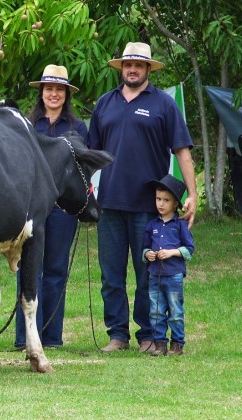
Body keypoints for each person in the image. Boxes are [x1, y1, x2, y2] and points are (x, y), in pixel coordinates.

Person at [85, 42, 198, 353]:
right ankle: (117, 335)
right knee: (111, 276)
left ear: (149, 69)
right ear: (121, 68)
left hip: (151, 208)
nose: (131, 69)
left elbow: (183, 151)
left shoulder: (163, 104)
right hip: (108, 204)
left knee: (148, 274)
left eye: (138, 65)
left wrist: (193, 193)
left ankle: (149, 335)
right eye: (127, 64)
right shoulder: (104, 104)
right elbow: (90, 154)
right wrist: (84, 189)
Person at [13, 65, 88, 349]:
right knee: (29, 269)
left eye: (59, 89)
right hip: (32, 207)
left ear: (66, 94)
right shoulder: (28, 124)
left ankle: (52, 337)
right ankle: (25, 338)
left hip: (63, 208)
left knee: (56, 269)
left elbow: (83, 170)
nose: (53, 94)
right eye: (49, 89)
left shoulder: (77, 128)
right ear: (41, 93)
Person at [143, 174, 195, 356]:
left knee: (175, 311)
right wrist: (147, 254)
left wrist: (172, 252)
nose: (161, 204)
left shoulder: (180, 226)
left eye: (166, 200)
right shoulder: (151, 225)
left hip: (174, 275)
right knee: (156, 311)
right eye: (158, 199)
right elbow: (145, 249)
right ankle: (159, 344)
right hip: (154, 275)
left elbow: (189, 250)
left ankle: (177, 344)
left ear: (175, 204)